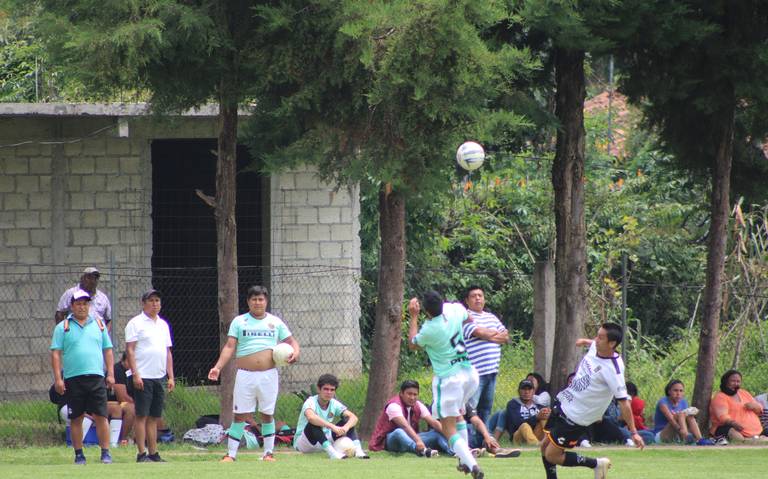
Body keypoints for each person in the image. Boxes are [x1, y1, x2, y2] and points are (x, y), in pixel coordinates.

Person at [208, 285, 301, 462]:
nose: (257, 302)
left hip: (268, 375)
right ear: (248, 302)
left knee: (267, 414)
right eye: (254, 299)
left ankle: (268, 453)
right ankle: (231, 454)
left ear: (266, 301)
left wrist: (296, 352)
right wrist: (217, 367)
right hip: (245, 375)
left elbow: (291, 341)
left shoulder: (275, 322)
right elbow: (229, 347)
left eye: (261, 299)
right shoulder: (239, 321)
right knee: (240, 415)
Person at [540, 323, 644, 479]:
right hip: (564, 403)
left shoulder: (613, 370)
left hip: (576, 417)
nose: (596, 339)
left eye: (601, 337)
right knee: (544, 447)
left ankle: (596, 463)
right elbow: (593, 343)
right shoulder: (597, 346)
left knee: (552, 455)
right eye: (597, 335)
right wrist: (585, 341)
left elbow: (624, 402)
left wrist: (634, 432)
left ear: (612, 344)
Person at [408, 291, 483, 479]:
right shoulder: (454, 309)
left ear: (426, 311)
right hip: (469, 374)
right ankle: (463, 460)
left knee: (448, 428)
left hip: (450, 380)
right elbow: (469, 318)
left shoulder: (430, 328)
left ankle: (471, 463)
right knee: (458, 416)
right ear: (442, 302)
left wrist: (413, 317)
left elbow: (413, 343)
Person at [50, 289, 115, 465]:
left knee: (101, 416)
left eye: (85, 303)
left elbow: (107, 350)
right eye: (78, 304)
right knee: (76, 417)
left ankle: (105, 452)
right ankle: (79, 454)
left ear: (89, 305)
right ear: (72, 306)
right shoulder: (63, 327)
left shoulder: (99, 324)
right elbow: (56, 354)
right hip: (73, 378)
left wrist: (110, 374)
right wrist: (58, 378)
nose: (82, 307)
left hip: (96, 377)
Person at [125, 289, 175, 462]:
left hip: (159, 376)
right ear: (143, 303)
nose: (155, 304)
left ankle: (153, 453)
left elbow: (167, 352)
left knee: (154, 416)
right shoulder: (135, 323)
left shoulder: (163, 324)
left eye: (157, 301)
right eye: (151, 301)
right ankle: (141, 453)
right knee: (141, 415)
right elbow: (130, 350)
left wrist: (171, 376)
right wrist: (136, 374)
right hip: (143, 376)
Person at [462, 286, 508, 428]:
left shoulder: (491, 317)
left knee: (485, 410)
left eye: (480, 295)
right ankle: (469, 442)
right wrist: (492, 334)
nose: (477, 298)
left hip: (491, 372)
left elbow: (505, 336)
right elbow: (479, 332)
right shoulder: (465, 317)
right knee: (471, 410)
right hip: (475, 374)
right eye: (473, 296)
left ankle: (484, 442)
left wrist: (487, 335)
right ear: (467, 300)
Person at [293, 374, 369, 459]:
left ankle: (358, 451)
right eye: (326, 389)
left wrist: (345, 428)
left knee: (347, 420)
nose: (329, 392)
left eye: (332, 390)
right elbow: (311, 418)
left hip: (324, 440)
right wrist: (332, 427)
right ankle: (332, 454)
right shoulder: (310, 402)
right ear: (318, 389)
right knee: (314, 423)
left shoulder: (333, 403)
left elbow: (354, 417)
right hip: (305, 443)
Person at [369, 379, 451, 457]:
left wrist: (452, 437)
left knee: (436, 432)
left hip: (411, 439)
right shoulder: (393, 405)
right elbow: (405, 426)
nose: (412, 397)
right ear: (401, 393)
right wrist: (418, 441)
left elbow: (434, 423)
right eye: (409, 394)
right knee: (399, 432)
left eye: (415, 394)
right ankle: (423, 451)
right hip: (390, 442)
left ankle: (453, 451)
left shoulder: (418, 405)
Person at [709, 370, 767, 443]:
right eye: (733, 381)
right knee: (732, 432)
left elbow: (759, 410)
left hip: (757, 431)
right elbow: (722, 416)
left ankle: (756, 439)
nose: (736, 384)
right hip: (731, 429)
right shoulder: (720, 397)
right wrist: (734, 423)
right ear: (725, 382)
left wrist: (756, 406)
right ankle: (749, 441)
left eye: (738, 381)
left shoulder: (744, 393)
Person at [653, 379, 712, 445]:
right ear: (669, 391)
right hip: (662, 435)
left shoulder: (683, 402)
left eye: (681, 391)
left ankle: (700, 439)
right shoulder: (663, 402)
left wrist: (694, 412)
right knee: (679, 415)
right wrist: (681, 430)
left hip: (678, 434)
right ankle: (685, 436)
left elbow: (686, 418)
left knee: (689, 416)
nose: (678, 394)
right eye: (675, 390)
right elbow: (671, 420)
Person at [505, 379, 550, 445]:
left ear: (534, 391)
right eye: (524, 389)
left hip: (536, 434)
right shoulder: (513, 404)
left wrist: (550, 415)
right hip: (519, 436)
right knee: (524, 426)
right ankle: (536, 445)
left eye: (529, 389)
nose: (526, 392)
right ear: (518, 391)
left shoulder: (538, 406)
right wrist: (536, 417)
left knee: (545, 417)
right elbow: (516, 424)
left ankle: (551, 442)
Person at [108, 352, 136, 445]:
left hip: (129, 401)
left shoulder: (135, 372)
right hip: (114, 402)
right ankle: (122, 439)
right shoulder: (117, 369)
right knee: (131, 409)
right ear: (125, 360)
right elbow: (122, 397)